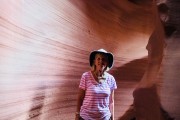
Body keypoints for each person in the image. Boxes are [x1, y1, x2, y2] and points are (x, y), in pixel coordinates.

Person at [75, 49, 117, 120]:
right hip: (86, 117)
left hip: (105, 117)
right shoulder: (86, 76)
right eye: (98, 59)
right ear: (94, 61)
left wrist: (112, 118)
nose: (101, 61)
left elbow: (111, 102)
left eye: (103, 59)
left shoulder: (111, 79)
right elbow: (80, 98)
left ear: (107, 62)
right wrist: (77, 115)